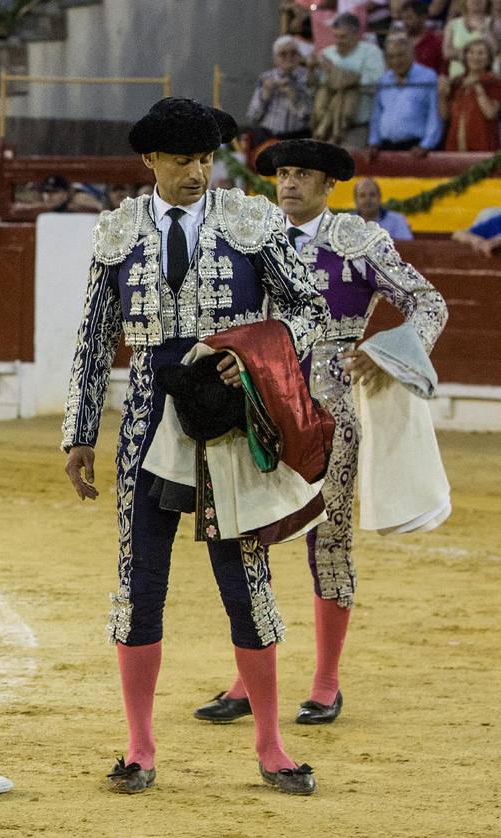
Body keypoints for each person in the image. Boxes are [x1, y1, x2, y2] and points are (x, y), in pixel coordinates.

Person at [61, 97, 328, 797]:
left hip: (230, 417)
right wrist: (80, 432)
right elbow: (94, 339)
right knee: (139, 580)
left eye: (206, 159)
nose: (197, 173)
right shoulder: (116, 231)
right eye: (183, 161)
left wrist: (258, 353)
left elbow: (310, 309)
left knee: (245, 580)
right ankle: (139, 747)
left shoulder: (251, 220)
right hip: (148, 417)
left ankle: (270, 746)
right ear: (150, 161)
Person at [195, 138, 447, 728]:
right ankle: (247, 680)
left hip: (331, 413)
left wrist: (388, 355)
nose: (288, 184)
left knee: (328, 544)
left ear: (327, 185)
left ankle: (326, 682)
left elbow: (427, 303)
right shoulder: (251, 239)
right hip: (258, 406)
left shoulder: (359, 241)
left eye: (302, 174)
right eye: (282, 174)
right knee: (247, 537)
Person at [313, 12, 386, 145]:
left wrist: (340, 75)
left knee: (350, 162)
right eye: (336, 36)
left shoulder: (371, 52)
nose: (338, 41)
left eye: (343, 37)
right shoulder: (327, 53)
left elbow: (377, 81)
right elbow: (319, 85)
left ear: (357, 34)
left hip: (357, 126)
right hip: (326, 127)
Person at [368, 32, 443, 153]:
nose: (397, 61)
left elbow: (434, 115)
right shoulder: (384, 80)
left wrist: (426, 145)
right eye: (391, 57)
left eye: (401, 55)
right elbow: (377, 115)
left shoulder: (428, 77)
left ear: (412, 54)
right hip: (386, 148)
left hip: (416, 148)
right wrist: (374, 142)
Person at [246, 35, 313, 140]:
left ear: (299, 56)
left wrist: (295, 99)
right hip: (268, 136)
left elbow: (311, 118)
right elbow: (252, 117)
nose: (288, 57)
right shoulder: (266, 78)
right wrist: (265, 96)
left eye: (293, 53)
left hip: (298, 137)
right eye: (283, 54)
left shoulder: (308, 78)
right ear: (275, 59)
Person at [441, 37, 501, 151]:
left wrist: (477, 86)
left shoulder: (494, 81)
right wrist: (441, 95)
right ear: (465, 56)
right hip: (455, 145)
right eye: (471, 52)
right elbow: (445, 116)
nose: (475, 57)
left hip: (483, 145)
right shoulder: (456, 81)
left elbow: (490, 113)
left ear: (489, 59)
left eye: (481, 53)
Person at [442, 0, 491, 77]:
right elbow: (447, 52)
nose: (476, 1)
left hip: (487, 76)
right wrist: (470, 56)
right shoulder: (452, 24)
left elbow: (495, 49)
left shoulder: (493, 22)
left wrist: (484, 30)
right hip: (457, 76)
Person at [397, 0, 445, 73]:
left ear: (423, 17)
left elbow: (443, 71)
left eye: (409, 18)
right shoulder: (398, 42)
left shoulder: (436, 42)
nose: (405, 22)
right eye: (403, 18)